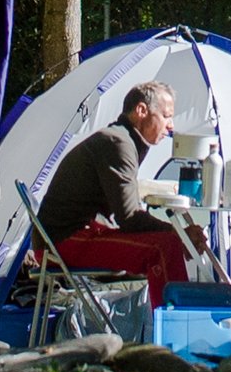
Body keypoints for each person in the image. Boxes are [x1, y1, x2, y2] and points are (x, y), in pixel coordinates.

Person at [36, 79, 194, 300]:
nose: (171, 125)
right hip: (64, 241)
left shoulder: (123, 139)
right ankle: (174, 327)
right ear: (141, 110)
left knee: (169, 243)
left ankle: (173, 319)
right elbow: (129, 218)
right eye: (167, 116)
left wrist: (177, 234)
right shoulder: (118, 143)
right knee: (163, 248)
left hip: (81, 233)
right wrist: (179, 233)